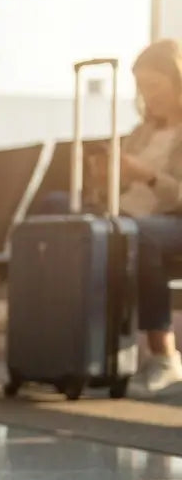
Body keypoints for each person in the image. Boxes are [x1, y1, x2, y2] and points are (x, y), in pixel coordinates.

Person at [36, 39, 182, 395]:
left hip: (170, 220)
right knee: (55, 209)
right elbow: (116, 195)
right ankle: (58, 339)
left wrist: (146, 174)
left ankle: (164, 354)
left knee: (136, 235)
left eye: (155, 87)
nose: (149, 96)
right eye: (143, 88)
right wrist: (104, 180)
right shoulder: (140, 133)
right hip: (127, 217)